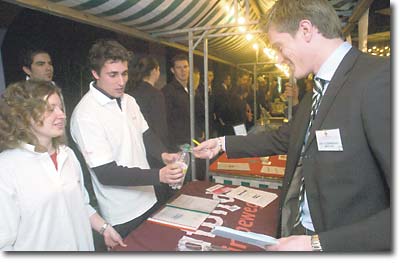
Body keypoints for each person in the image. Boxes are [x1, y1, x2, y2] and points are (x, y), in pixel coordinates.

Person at [193, 0, 390, 252]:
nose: (278, 57)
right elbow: (285, 137)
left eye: (279, 47)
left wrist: (317, 244)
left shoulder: (378, 80)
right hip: (300, 231)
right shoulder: (315, 91)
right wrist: (221, 143)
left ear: (306, 30)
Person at [70, 39, 183, 239]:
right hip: (123, 213)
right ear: (95, 73)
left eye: (124, 73)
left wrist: (163, 154)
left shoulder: (129, 100)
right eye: (113, 75)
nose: (121, 81)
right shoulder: (85, 114)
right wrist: (159, 175)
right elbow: (107, 173)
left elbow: (145, 134)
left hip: (149, 198)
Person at [0, 80, 125, 251]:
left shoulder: (67, 155)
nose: (61, 115)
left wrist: (104, 228)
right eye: (50, 109)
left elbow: (81, 204)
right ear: (24, 115)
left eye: (60, 107)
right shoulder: (7, 167)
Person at [126, 55, 175, 203]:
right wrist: (165, 153)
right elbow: (160, 130)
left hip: (136, 155)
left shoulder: (130, 94)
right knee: (161, 199)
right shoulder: (155, 94)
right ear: (154, 71)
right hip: (155, 155)